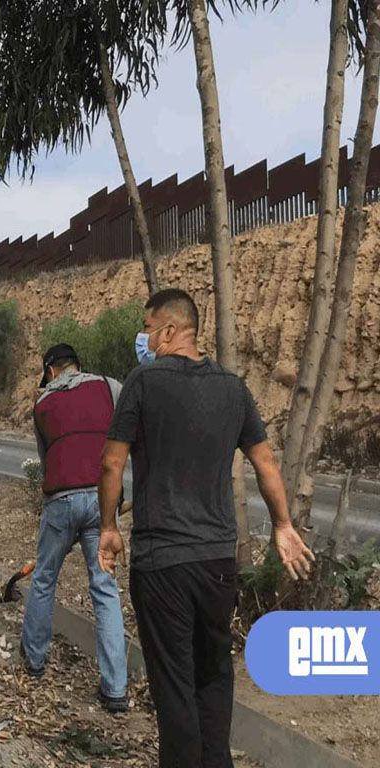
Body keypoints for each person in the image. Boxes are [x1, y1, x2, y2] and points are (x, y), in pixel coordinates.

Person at [98, 288, 313, 768]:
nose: (145, 337)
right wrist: (282, 525)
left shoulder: (143, 382)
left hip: (161, 564)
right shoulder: (233, 388)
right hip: (217, 562)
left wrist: (109, 526)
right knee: (214, 679)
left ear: (170, 330)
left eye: (148, 326)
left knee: (174, 686)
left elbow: (112, 463)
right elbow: (265, 462)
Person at [21, 343, 129, 714]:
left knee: (44, 579)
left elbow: (46, 458)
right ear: (79, 366)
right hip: (102, 501)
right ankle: (115, 689)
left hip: (61, 501)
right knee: (104, 587)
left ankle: (34, 663)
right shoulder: (109, 386)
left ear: (51, 372)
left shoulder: (42, 405)